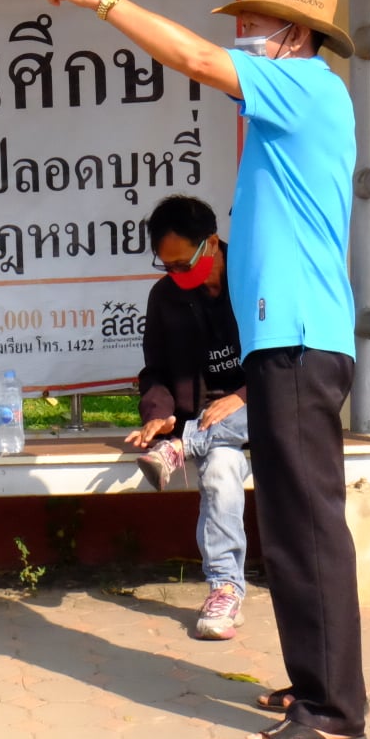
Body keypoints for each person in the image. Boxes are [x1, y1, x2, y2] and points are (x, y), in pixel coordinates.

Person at [36, 0, 366, 739]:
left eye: (254, 23)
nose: (242, 34)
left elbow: (192, 58)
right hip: (283, 340)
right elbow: (212, 68)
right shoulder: (293, 97)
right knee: (290, 525)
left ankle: (331, 713)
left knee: (305, 529)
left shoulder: (308, 85)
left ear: (294, 36)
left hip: (295, 340)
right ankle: (316, 679)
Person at [127, 195, 250, 641]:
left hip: (263, 413)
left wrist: (242, 396)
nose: (176, 276)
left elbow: (285, 358)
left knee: (269, 400)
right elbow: (156, 370)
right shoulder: (165, 298)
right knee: (218, 472)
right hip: (210, 428)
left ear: (212, 243)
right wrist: (159, 417)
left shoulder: (257, 274)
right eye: (168, 267)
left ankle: (184, 447)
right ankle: (225, 590)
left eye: (183, 265)